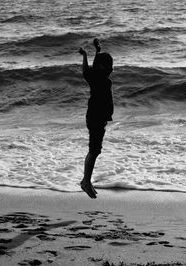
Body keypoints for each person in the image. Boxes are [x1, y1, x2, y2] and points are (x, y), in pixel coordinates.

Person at [78, 38, 114, 199]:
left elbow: (91, 69)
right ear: (101, 67)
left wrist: (96, 50)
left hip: (96, 119)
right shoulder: (100, 80)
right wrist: (85, 55)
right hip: (96, 119)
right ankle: (85, 181)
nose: (111, 69)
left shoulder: (97, 77)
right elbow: (88, 70)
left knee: (94, 150)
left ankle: (87, 180)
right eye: (109, 66)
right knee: (94, 151)